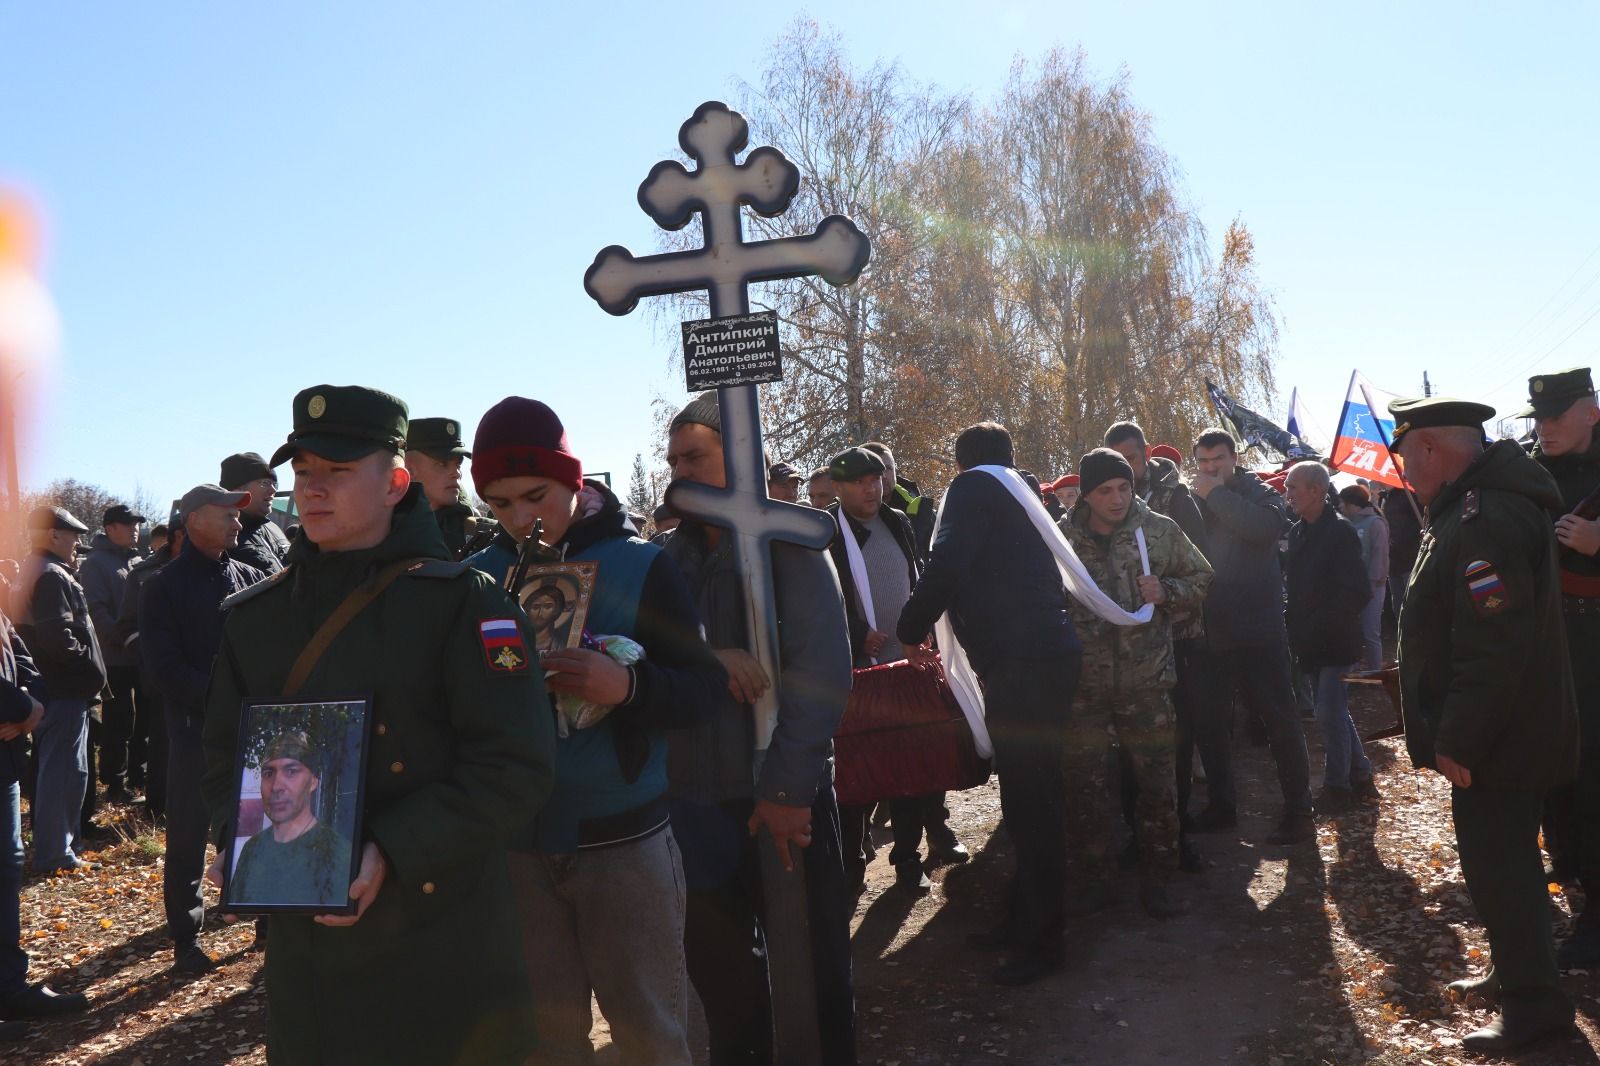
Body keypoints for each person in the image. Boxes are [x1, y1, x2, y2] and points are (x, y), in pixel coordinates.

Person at [200, 384, 557, 1063]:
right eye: (304, 472)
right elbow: (222, 752)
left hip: (441, 942)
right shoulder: (257, 617)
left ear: (395, 483)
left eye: (338, 471)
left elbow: (517, 766)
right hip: (310, 963)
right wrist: (237, 832)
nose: (313, 489)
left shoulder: (467, 605)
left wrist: (392, 848)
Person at [468, 395, 724, 1066]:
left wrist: (629, 686)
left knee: (649, 1031)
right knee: (546, 1043)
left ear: (574, 481)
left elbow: (704, 689)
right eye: (498, 504)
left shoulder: (642, 563)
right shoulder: (479, 580)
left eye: (535, 495)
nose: (522, 518)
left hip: (624, 844)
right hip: (517, 851)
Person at [659, 391, 856, 1065]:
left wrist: (789, 788)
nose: (679, 470)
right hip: (695, 806)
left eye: (695, 456)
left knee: (814, 976)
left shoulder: (790, 542)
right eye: (673, 459)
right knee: (726, 989)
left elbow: (821, 672)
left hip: (782, 798)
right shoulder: (663, 559)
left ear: (739, 455)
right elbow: (632, 654)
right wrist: (705, 659)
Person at [1390, 395, 1577, 1053]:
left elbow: (1493, 649)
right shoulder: (1479, 507)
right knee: (1511, 867)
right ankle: (1515, 974)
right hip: (1515, 729)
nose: (1404, 472)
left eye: (1407, 455)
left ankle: (1536, 1013)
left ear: (1433, 449)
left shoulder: (1481, 521)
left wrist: (1460, 738)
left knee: (1503, 873)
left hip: (1501, 738)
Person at [898, 422, 1081, 986]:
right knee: (1031, 799)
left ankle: (1044, 940)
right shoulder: (1018, 492)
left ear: (960, 466)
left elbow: (948, 564)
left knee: (1033, 802)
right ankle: (1024, 916)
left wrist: (910, 625)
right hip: (1042, 657)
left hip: (1023, 662)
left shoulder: (974, 489)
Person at [1059, 448, 1212, 918]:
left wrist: (1168, 592)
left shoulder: (1159, 530)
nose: (1117, 498)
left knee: (1157, 786)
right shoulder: (1063, 540)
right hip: (1084, 688)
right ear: (1086, 494)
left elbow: (1202, 576)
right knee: (1085, 789)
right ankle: (1095, 880)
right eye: (1105, 490)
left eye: (1124, 487)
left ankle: (1158, 878)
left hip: (1147, 683)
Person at [824, 445, 962, 897]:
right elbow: (820, 599)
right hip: (856, 670)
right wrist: (855, 630)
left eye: (876, 478)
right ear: (838, 487)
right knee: (859, 771)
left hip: (904, 664)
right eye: (859, 481)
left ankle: (908, 858)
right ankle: (851, 864)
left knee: (910, 765)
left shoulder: (897, 521)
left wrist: (919, 629)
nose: (871, 487)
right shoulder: (825, 532)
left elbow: (917, 579)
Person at [140, 485, 263, 974]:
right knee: (189, 838)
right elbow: (163, 670)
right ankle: (187, 941)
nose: (238, 522)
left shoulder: (252, 577)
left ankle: (268, 920)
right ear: (192, 521)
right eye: (226, 515)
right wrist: (224, 702)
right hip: (195, 735)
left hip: (254, 732)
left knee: (256, 827)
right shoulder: (162, 587)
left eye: (239, 515)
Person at [1190, 429, 1315, 844]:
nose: (1210, 469)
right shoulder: (1190, 500)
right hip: (1212, 632)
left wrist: (1215, 494)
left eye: (1218, 460)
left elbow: (1262, 529)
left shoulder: (1261, 493)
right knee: (1210, 724)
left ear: (1233, 459)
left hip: (1260, 631)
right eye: (1204, 462)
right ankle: (1222, 806)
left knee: (1280, 722)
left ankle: (1299, 811)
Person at [1105, 422, 1225, 839]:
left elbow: (1202, 567)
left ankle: (1178, 822)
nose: (1126, 472)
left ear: (1145, 455)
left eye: (1132, 460)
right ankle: (1138, 826)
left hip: (1178, 637)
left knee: (1177, 733)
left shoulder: (1176, 501)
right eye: (1119, 462)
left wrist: (1166, 592)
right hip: (1125, 644)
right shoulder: (1103, 506)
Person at [1518, 368, 1600, 968]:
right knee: (1557, 763)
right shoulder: (1530, 473)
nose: (1543, 426)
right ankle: (1570, 863)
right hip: (1549, 636)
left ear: (1591, 411)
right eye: (1538, 417)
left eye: (1556, 415)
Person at [1, 609, 89, 1035]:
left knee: (6, 869)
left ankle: (9, 990)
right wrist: (22, 706)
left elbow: (24, 659)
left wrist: (30, 705)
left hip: (6, 763)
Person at [13, 506, 106, 874]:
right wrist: (88, 669)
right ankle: (57, 854)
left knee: (57, 773)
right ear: (53, 535)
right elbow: (57, 636)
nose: (79, 541)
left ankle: (59, 848)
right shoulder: (51, 575)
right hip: (63, 691)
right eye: (73, 534)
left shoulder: (31, 570)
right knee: (64, 775)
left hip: (48, 689)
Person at [1283, 462, 1379, 812]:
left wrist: (1323, 619)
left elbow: (1357, 591)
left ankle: (1337, 787)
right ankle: (1362, 773)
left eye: (1294, 487)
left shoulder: (1341, 533)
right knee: (1333, 711)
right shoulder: (1296, 534)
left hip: (1336, 641)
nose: (1287, 493)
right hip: (1309, 642)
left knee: (1327, 712)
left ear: (1316, 491)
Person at [231, 731, 353, 907]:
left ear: (313, 782)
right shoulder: (253, 848)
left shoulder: (338, 853)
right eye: (268, 773)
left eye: (291, 771)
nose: (276, 786)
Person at [117, 519, 186, 819]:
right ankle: (158, 807)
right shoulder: (144, 573)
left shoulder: (214, 567)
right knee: (161, 740)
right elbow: (127, 625)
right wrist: (148, 658)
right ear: (178, 535)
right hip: (159, 675)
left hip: (199, 673)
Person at [78, 503, 146, 805]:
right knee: (119, 721)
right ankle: (114, 782)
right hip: (114, 657)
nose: (135, 529)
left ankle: (138, 775)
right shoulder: (95, 563)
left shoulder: (137, 560)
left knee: (143, 720)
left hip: (141, 656)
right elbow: (96, 610)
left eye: (137, 524)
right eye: (128, 524)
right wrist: (125, 638)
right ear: (110, 528)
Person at [404, 416, 479, 558]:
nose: (456, 473)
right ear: (409, 471)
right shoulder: (379, 533)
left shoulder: (479, 534)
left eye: (458, 464)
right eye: (442, 464)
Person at [1337, 484, 1390, 671]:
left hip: (1372, 588)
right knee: (1353, 632)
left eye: (1343, 503)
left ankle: (1375, 672)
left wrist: (1371, 585)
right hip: (1353, 588)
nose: (1340, 507)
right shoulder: (1347, 524)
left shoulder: (1375, 523)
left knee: (1370, 633)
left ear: (1353, 504)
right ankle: (1354, 670)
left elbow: (1379, 556)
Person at [862, 440, 937, 563]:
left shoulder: (922, 513)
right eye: (876, 470)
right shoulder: (841, 516)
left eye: (888, 468)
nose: (884, 476)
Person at [220, 451, 290, 575]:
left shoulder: (274, 529)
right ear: (238, 489)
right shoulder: (220, 534)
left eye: (275, 484)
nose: (273, 490)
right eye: (265, 483)